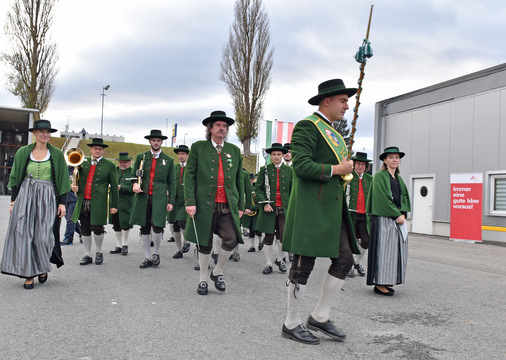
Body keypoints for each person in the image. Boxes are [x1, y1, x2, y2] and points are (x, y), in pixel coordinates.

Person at [281, 79, 361, 345]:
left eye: (348, 102)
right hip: (310, 209)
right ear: (327, 101)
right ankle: (290, 323)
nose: (347, 106)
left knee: (345, 259)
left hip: (331, 208)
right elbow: (301, 166)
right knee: (304, 266)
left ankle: (320, 316)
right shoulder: (307, 126)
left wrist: (343, 167)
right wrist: (338, 170)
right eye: (343, 100)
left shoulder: (333, 133)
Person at [1, 120, 70, 289]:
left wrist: (62, 204)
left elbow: (62, 179)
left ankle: (42, 265)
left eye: (47, 132)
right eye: (42, 132)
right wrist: (13, 201)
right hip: (26, 195)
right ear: (35, 133)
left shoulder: (56, 154)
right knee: (24, 234)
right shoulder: (23, 152)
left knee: (44, 236)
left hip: (47, 196)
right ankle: (29, 274)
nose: (45, 135)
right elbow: (16, 177)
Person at [184, 110, 245, 295]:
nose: (222, 129)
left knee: (232, 238)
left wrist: (241, 205)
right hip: (203, 205)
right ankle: (203, 279)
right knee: (204, 242)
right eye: (218, 125)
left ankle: (217, 271)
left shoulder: (234, 150)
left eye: (224, 126)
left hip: (227, 205)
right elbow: (190, 175)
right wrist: (190, 201)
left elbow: (239, 180)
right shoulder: (198, 147)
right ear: (210, 128)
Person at [366, 146, 411, 296]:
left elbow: (404, 197)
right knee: (384, 251)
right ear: (385, 160)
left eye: (397, 157)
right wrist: (396, 215)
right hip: (384, 219)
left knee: (395, 252)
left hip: (397, 218)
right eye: (391, 157)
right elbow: (381, 198)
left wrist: (403, 213)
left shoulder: (398, 178)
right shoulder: (380, 176)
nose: (394, 160)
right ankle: (379, 283)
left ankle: (388, 280)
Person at [130, 130, 175, 269]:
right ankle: (147, 257)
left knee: (157, 226)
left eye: (158, 141)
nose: (156, 143)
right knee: (144, 226)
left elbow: (172, 182)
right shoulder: (141, 157)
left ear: (161, 142)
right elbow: (133, 175)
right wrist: (135, 184)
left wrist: (171, 201)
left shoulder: (169, 160)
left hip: (160, 198)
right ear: (150, 141)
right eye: (154, 140)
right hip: (143, 197)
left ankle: (156, 253)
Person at [71, 138, 119, 265]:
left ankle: (99, 252)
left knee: (97, 228)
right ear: (91, 149)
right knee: (84, 228)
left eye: (100, 149)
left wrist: (115, 204)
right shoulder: (82, 163)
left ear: (103, 151)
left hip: (99, 202)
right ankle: (87, 255)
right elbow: (77, 179)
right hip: (83, 201)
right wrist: (74, 186)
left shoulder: (110, 166)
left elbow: (114, 187)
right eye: (95, 148)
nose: (97, 151)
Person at [255, 143, 292, 275]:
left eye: (279, 154)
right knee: (269, 236)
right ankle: (268, 263)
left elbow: (293, 191)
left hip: (284, 208)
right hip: (268, 208)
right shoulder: (264, 169)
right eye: (274, 154)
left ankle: (280, 259)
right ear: (270, 156)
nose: (276, 157)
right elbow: (258, 188)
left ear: (283, 155)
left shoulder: (289, 171)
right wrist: (264, 203)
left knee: (284, 236)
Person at [346, 152, 372, 278]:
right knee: (352, 241)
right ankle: (350, 265)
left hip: (364, 215)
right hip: (352, 214)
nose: (360, 166)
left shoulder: (369, 179)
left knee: (366, 241)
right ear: (354, 165)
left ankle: (357, 262)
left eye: (363, 164)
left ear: (366, 166)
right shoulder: (348, 177)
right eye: (358, 164)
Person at [109, 152, 134, 256]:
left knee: (125, 224)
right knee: (116, 224)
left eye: (125, 162)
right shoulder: (115, 170)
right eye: (121, 162)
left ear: (129, 162)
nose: (123, 164)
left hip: (127, 201)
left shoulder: (132, 172)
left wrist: (121, 187)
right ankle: (119, 245)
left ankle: (125, 245)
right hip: (114, 201)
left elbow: (133, 188)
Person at [168, 144, 191, 259]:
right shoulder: (175, 167)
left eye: (183, 154)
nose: (180, 156)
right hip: (174, 200)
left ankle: (186, 241)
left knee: (182, 222)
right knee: (174, 224)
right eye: (179, 154)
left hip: (186, 200)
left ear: (187, 155)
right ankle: (179, 249)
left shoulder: (191, 168)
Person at [61, 166, 82, 245]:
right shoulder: (66, 168)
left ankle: (68, 238)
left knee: (70, 218)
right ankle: (81, 232)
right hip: (66, 196)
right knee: (69, 218)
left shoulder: (78, 169)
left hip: (74, 197)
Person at [243, 173, 263, 252]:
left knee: (257, 229)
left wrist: (255, 208)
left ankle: (261, 241)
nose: (251, 180)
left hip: (256, 212)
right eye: (250, 179)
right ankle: (252, 246)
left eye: (252, 179)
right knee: (251, 229)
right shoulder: (245, 188)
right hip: (248, 212)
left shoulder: (257, 188)